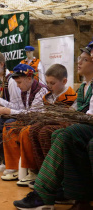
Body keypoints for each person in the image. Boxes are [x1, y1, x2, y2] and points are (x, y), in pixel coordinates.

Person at [13, 42, 93, 210]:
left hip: (84, 125)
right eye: (80, 58)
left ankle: (44, 190)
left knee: (61, 133)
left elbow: (85, 115)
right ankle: (52, 182)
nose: (79, 62)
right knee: (41, 130)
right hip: (82, 124)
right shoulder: (84, 87)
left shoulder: (73, 92)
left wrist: (70, 118)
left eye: (85, 59)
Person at [3, 64, 77, 187]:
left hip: (62, 125)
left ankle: (43, 173)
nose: (48, 86)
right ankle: (35, 170)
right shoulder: (48, 96)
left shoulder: (71, 96)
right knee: (24, 128)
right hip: (43, 122)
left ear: (64, 81)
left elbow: (70, 117)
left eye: (52, 83)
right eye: (47, 82)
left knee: (35, 131)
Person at [0, 64, 48, 178]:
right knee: (8, 127)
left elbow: (32, 114)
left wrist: (8, 111)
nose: (18, 86)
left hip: (38, 121)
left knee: (13, 127)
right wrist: (3, 107)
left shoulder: (41, 90)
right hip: (28, 119)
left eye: (19, 82)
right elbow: (19, 108)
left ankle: (31, 170)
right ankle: (13, 166)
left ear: (29, 78)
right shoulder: (25, 89)